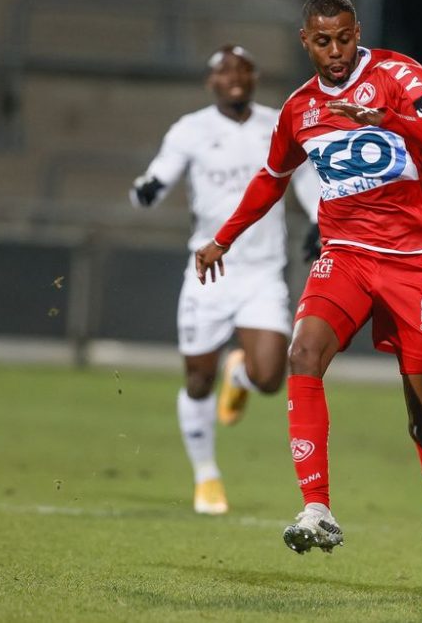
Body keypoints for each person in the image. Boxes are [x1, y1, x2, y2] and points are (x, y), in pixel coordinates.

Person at [192, 0, 422, 589]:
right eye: (323, 41)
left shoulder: (397, 74)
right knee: (303, 354)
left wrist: (388, 118)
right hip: (343, 256)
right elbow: (271, 179)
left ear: (357, 32)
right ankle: (317, 507)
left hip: (414, 264)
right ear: (305, 42)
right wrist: (223, 239)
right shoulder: (300, 109)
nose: (336, 52)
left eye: (344, 38)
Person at [130, 44, 319, 515]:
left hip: (262, 271)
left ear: (254, 77)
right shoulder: (191, 130)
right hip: (208, 270)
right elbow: (157, 180)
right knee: (197, 379)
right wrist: (147, 191)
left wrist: (320, 220)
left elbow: (305, 179)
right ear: (211, 82)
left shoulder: (278, 123)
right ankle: (206, 476)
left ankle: (241, 374)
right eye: (224, 70)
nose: (234, 76)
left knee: (272, 377)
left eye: (243, 69)